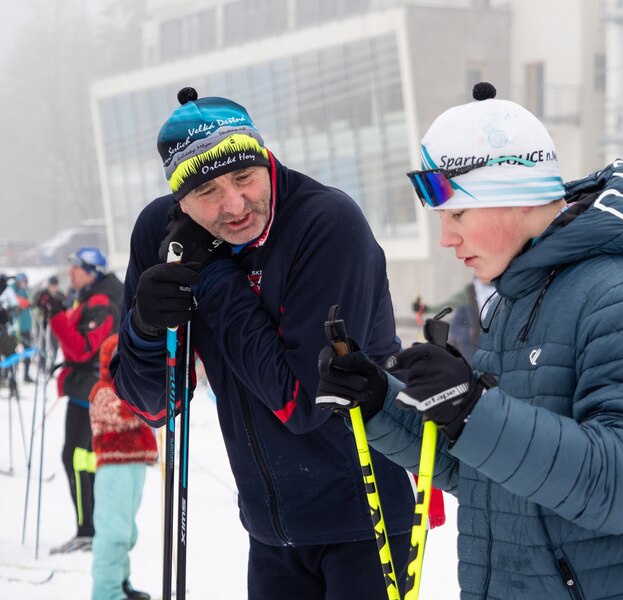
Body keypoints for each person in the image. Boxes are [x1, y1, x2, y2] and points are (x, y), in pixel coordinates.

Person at [316, 83, 623, 598]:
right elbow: (490, 473)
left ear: (515, 196)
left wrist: (472, 410)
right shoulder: (518, 301)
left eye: (457, 214)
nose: (446, 237)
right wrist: (380, 403)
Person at [111, 88, 415, 599]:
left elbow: (304, 401)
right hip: (269, 529)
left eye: (243, 177)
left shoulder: (325, 224)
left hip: (364, 518)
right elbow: (153, 406)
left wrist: (213, 277)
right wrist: (145, 328)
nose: (234, 204)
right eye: (207, 191)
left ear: (265, 158)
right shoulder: (161, 234)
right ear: (180, 199)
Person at [37, 246, 124, 554]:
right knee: (83, 456)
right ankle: (93, 526)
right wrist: (57, 310)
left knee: (75, 456)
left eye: (76, 267)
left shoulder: (102, 301)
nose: (70, 272)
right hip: (87, 387)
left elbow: (81, 348)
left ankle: (88, 529)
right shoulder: (90, 297)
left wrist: (57, 315)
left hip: (90, 390)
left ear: (91, 272)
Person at [89, 334, 155, 600]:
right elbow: (123, 412)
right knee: (113, 531)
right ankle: (106, 591)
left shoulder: (132, 390)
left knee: (127, 531)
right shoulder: (103, 391)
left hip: (135, 465)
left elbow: (148, 410)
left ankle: (121, 581)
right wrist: (144, 397)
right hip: (113, 468)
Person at [412, 275, 494, 362]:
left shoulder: (503, 288)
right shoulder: (471, 291)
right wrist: (426, 309)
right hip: (474, 347)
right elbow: (449, 305)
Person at [12, 272, 34, 383]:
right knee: (12, 353)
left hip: (26, 327)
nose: (23, 283)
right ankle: (10, 377)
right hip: (15, 328)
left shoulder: (26, 291)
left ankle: (26, 375)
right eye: (22, 281)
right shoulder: (13, 291)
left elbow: (31, 303)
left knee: (28, 351)